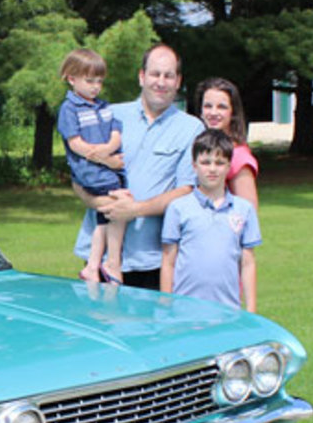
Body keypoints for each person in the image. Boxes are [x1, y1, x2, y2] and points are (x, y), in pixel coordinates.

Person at [72, 43, 202, 290]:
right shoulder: (108, 114)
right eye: (155, 74)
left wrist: (136, 210)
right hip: (97, 256)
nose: (161, 82)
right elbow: (78, 174)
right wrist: (100, 204)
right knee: (98, 327)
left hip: (151, 260)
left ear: (178, 81)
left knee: (147, 329)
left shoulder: (192, 129)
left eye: (168, 75)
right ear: (142, 77)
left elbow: (186, 190)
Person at [159, 129, 261, 311]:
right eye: (205, 162)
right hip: (185, 309)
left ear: (229, 166)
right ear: (194, 165)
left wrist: (251, 309)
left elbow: (247, 262)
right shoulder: (178, 208)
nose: (212, 169)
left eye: (219, 163)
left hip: (228, 309)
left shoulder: (243, 210)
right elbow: (168, 261)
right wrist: (167, 304)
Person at [57, 48, 126, 284]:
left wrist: (109, 148)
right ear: (72, 78)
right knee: (121, 207)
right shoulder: (69, 109)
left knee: (105, 218)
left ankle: (94, 265)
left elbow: (116, 133)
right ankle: (113, 263)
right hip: (92, 172)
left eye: (99, 81)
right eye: (89, 81)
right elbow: (75, 144)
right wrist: (105, 158)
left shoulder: (103, 106)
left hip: (107, 169)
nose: (95, 86)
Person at [193, 77, 259, 211]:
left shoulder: (239, 157)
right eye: (208, 106)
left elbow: (248, 213)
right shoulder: (198, 147)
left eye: (221, 107)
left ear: (232, 112)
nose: (213, 113)